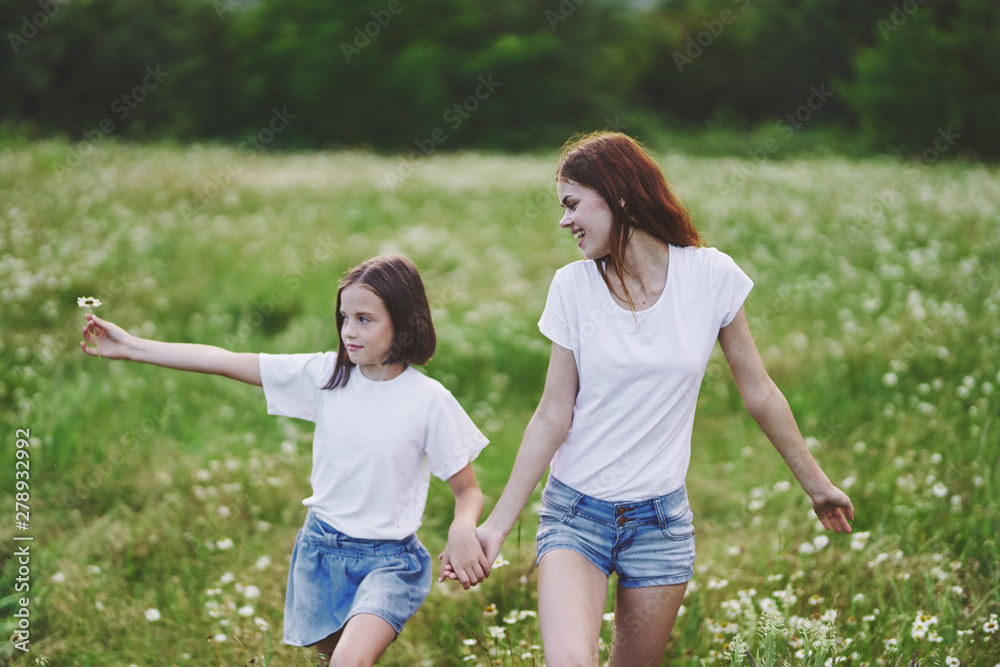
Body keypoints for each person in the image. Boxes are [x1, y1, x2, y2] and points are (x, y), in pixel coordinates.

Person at [451, 132, 855, 665]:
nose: (564, 221)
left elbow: (759, 392)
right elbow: (552, 414)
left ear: (617, 194)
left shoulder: (710, 276)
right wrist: (497, 527)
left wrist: (818, 485)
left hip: (661, 524)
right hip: (575, 514)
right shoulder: (572, 288)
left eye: (572, 205)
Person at [80, 254, 491, 666]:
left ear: (404, 321)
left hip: (389, 562)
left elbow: (468, 491)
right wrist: (131, 347)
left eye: (365, 319)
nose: (348, 330)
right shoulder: (327, 376)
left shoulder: (430, 401)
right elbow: (223, 360)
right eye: (344, 317)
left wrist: (462, 526)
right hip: (321, 551)